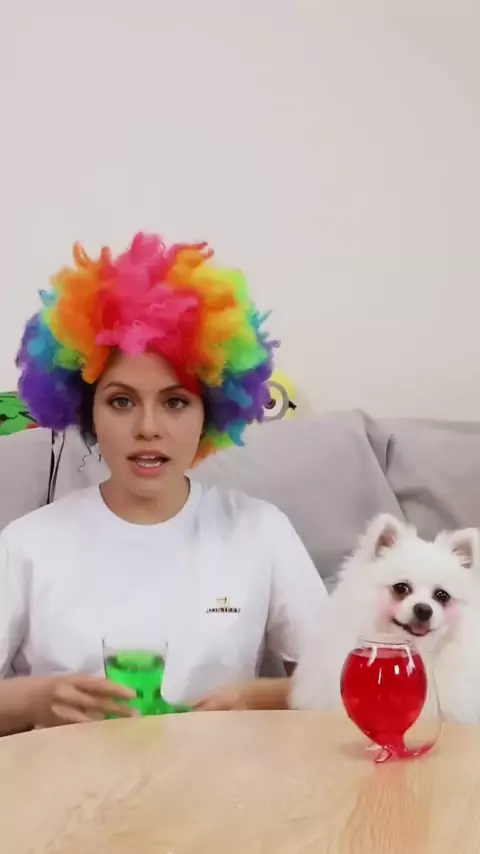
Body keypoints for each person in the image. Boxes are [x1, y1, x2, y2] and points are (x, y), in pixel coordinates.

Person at [0, 232, 328, 735]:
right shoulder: (27, 544)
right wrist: (34, 701)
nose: (148, 427)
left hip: (219, 777)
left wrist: (262, 698)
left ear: (209, 414)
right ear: (88, 412)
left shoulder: (260, 531)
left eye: (175, 402)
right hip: (68, 780)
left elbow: (344, 683)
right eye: (121, 401)